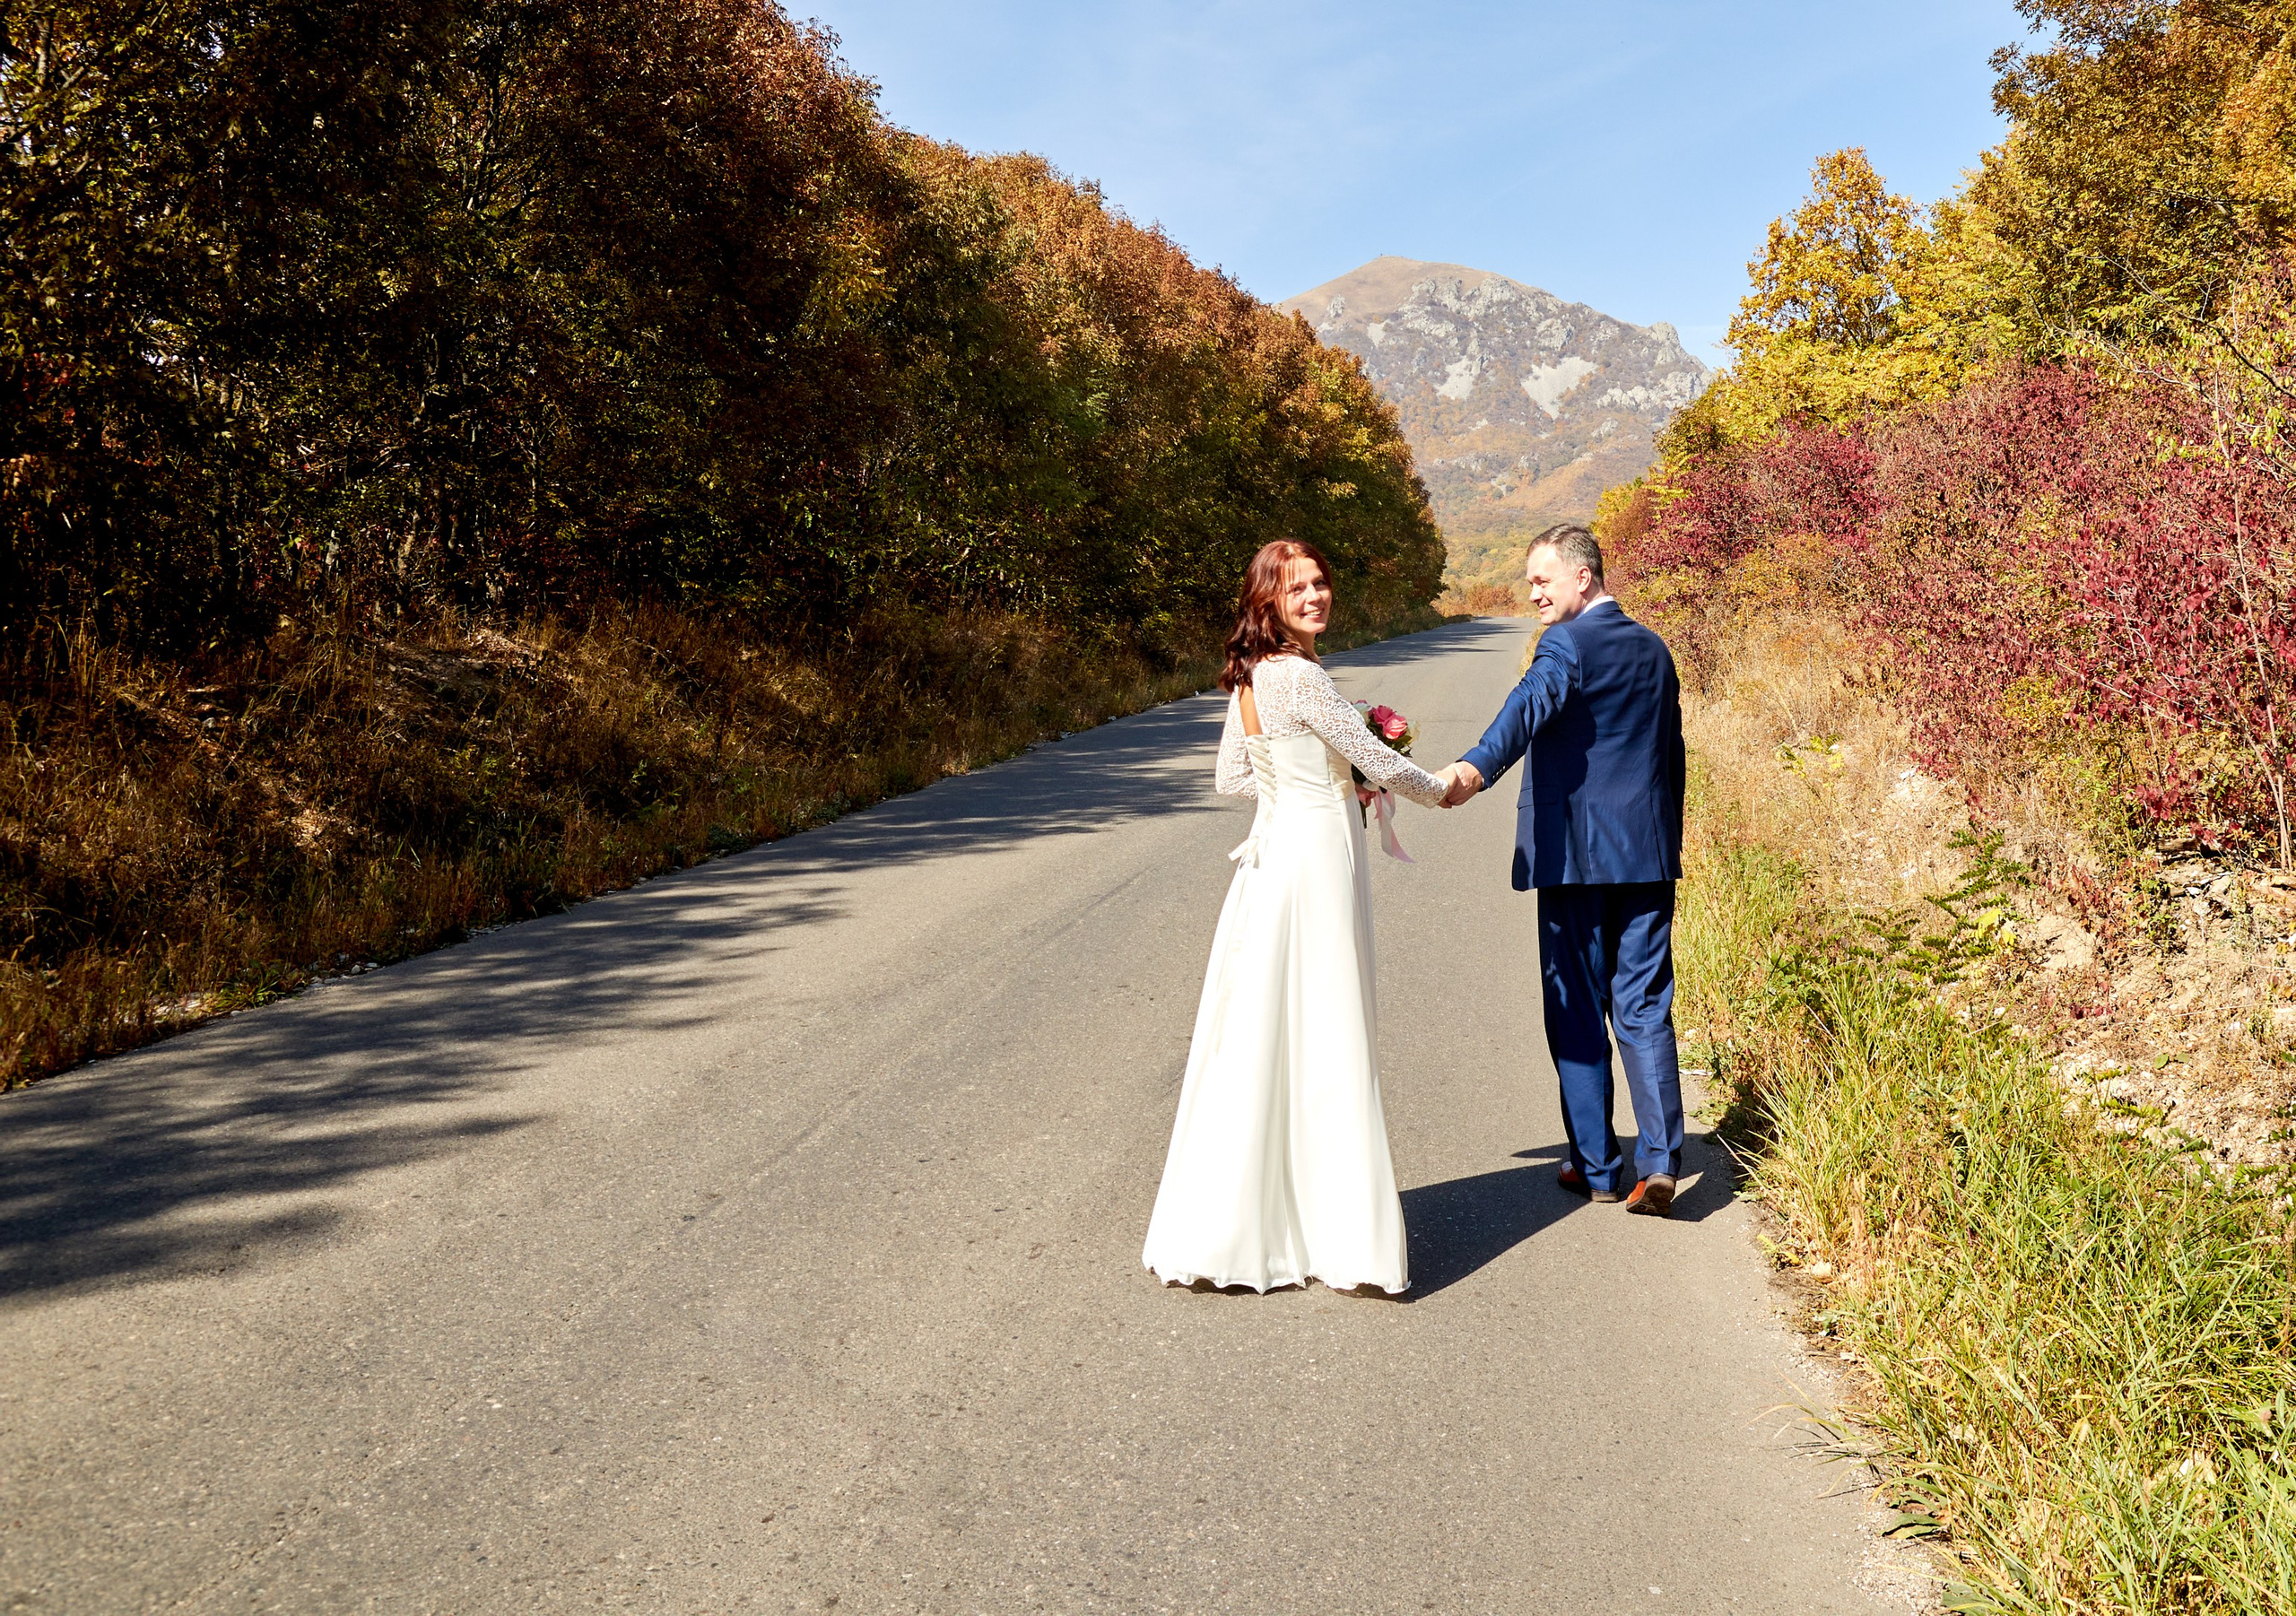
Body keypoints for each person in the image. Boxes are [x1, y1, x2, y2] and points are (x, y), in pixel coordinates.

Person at [1142, 539, 1448, 1294]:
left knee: (1266, 1026)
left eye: (1320, 583)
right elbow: (1381, 762)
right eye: (1297, 588)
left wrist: (1307, 782)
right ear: (1267, 602)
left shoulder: (1253, 677)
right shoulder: (1303, 677)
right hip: (1313, 858)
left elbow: (1231, 777)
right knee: (1327, 1021)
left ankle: (1258, 1218)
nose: (1314, 596)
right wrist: (1438, 788)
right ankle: (1336, 1234)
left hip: (1275, 854)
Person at [1435, 523, 1688, 1215]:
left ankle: (1600, 1168)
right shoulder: (1654, 648)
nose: (1533, 592)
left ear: (1584, 577)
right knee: (1642, 1005)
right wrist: (1669, 842)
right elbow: (1672, 754)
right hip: (1647, 857)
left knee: (1577, 1008)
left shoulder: (1566, 644)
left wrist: (1474, 768)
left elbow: (1528, 706)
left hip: (1577, 860)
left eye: (1543, 579)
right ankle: (1661, 1160)